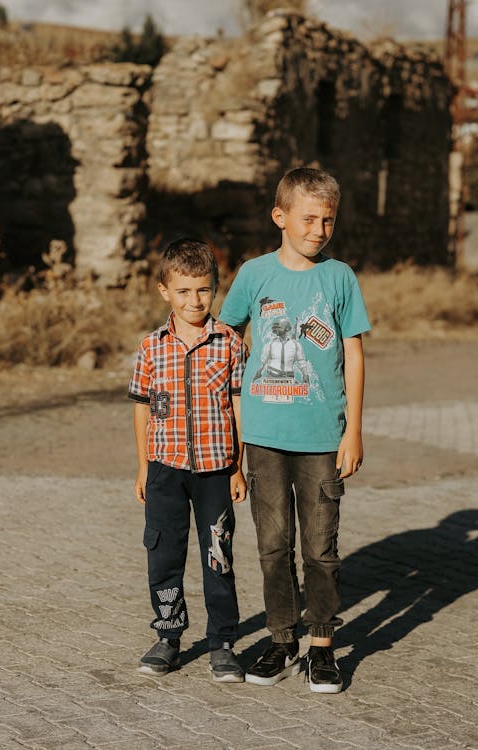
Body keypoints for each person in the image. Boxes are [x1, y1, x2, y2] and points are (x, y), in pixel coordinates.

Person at [220, 167, 371, 693]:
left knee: (320, 548)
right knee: (272, 546)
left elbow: (353, 353)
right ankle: (281, 640)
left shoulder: (340, 278)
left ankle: (322, 647)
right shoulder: (254, 274)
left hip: (321, 439)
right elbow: (229, 335)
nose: (319, 229)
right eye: (309, 217)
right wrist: (231, 420)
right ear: (280, 217)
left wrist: (353, 430)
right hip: (262, 435)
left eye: (328, 219)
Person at [128, 238, 248, 682]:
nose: (194, 300)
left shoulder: (230, 344)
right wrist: (143, 466)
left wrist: (238, 465)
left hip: (216, 470)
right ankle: (168, 636)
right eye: (183, 291)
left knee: (219, 556)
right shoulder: (151, 347)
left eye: (203, 290)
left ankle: (222, 641)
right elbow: (141, 408)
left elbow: (237, 408)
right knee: (163, 555)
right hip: (164, 469)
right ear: (165, 291)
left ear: (214, 288)